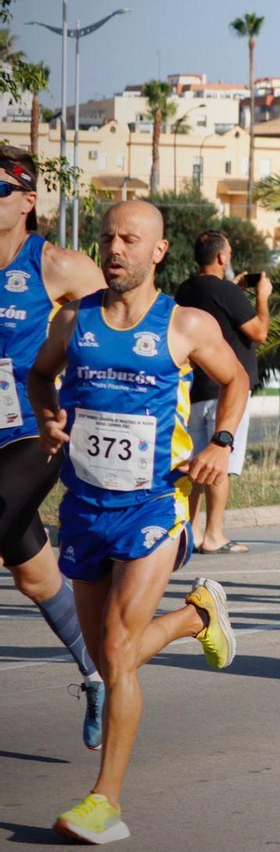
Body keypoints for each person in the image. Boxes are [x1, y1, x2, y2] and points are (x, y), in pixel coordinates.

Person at [32, 200, 246, 845]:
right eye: (107, 238)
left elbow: (235, 380)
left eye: (130, 239)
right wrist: (47, 417)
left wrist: (221, 443)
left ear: (159, 252)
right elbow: (40, 376)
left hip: (155, 505)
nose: (114, 248)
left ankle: (106, 801)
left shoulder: (185, 325)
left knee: (119, 653)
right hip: (85, 506)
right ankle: (195, 618)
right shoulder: (75, 320)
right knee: (105, 655)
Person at [0, 149, 108, 749]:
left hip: (35, 431)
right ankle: (96, 671)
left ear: (27, 199)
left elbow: (120, 323)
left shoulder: (59, 266)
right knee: (33, 575)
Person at [174, 230, 270, 555]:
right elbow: (259, 331)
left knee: (194, 463)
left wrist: (235, 292)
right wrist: (263, 296)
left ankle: (189, 530)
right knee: (219, 460)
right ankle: (214, 534)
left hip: (193, 389)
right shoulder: (225, 290)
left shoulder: (185, 289)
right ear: (222, 258)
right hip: (226, 390)